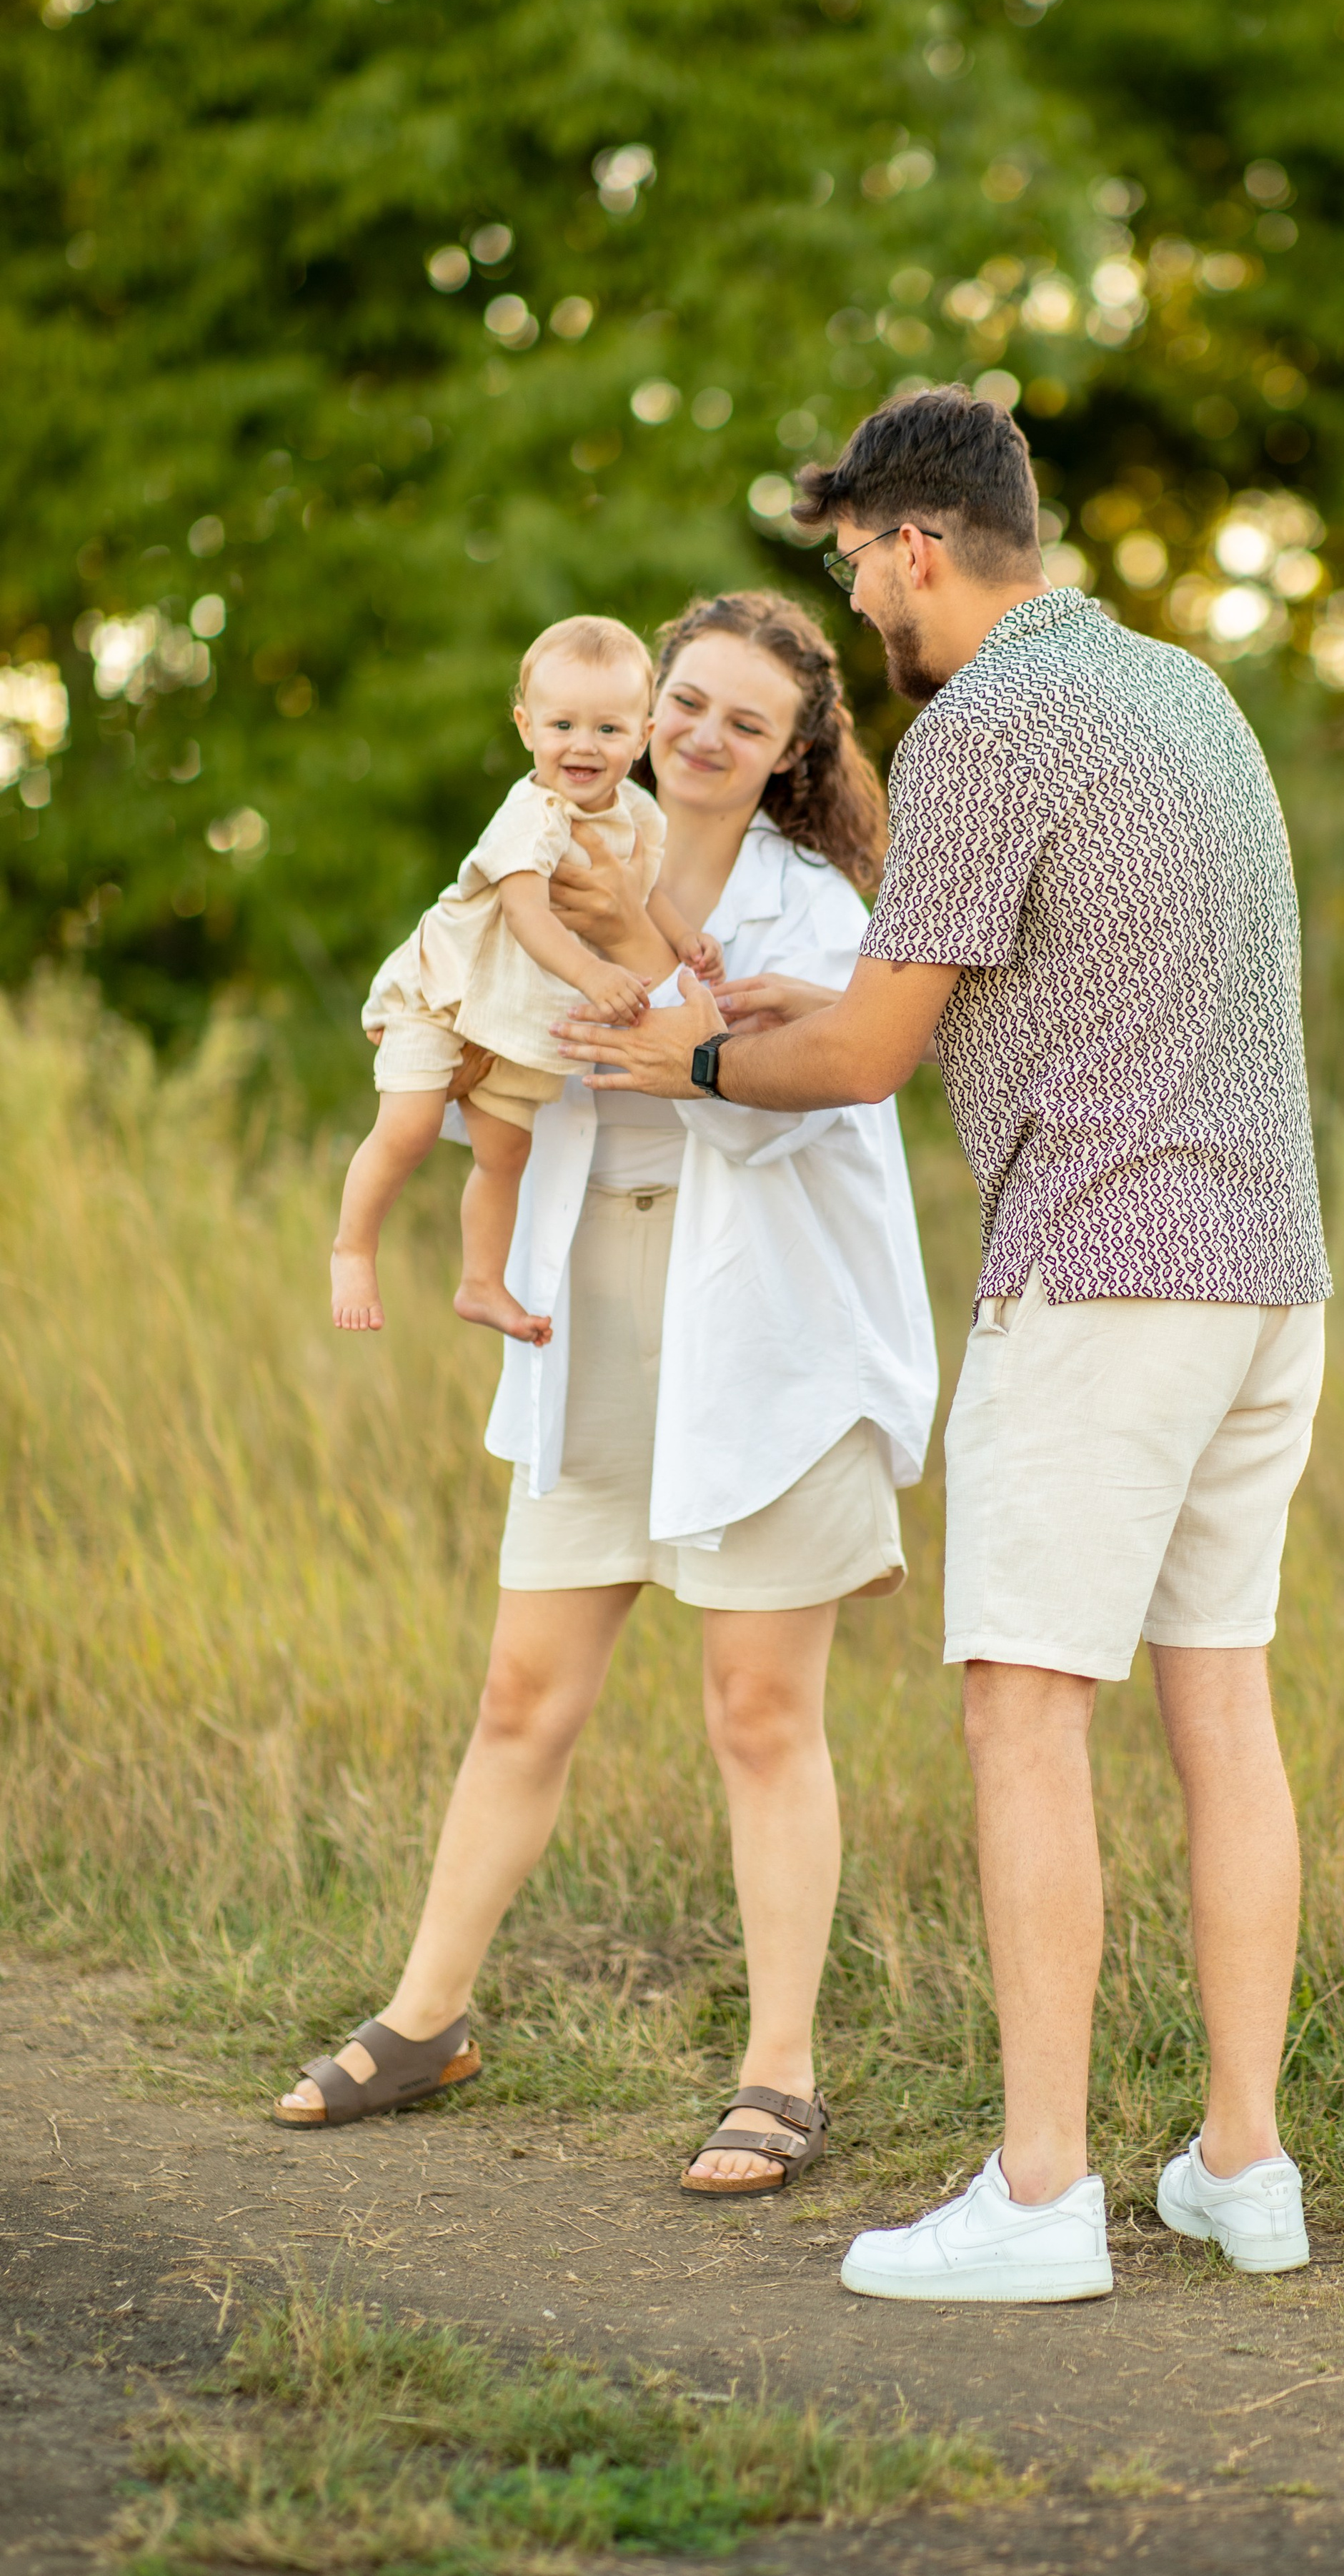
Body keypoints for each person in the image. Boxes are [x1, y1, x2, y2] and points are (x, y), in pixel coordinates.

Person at [562, 389, 1332, 2300]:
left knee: (1018, 1706)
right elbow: (1007, 976)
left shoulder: (986, 719)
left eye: (853, 568)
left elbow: (873, 1054)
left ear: (915, 543)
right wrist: (805, 1001)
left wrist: (697, 1052)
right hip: (1267, 1272)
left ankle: (1045, 2193)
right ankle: (1245, 2168)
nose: (861, 609)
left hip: (1103, 1279)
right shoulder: (1179, 694)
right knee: (1219, 1703)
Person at [280, 591, 938, 2197]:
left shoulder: (818, 913)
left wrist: (650, 976)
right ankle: (427, 2017)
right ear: (642, 710)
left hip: (770, 1343)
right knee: (523, 1695)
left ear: (790, 755)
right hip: (597, 1317)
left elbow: (742, 1089)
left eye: (745, 721)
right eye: (685, 703)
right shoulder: (564, 844)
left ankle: (778, 2074)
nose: (704, 735)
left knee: (758, 1715)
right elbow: (500, 1046)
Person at [332, 615, 722, 1347]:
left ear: (642, 734)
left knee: (507, 1154)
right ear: (524, 726)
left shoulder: (637, 813)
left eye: (608, 729)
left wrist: (684, 938)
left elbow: (647, 890)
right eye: (562, 723)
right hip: (447, 991)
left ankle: (481, 1281)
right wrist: (594, 971)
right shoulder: (532, 813)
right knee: (409, 1126)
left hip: (519, 1018)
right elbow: (528, 913)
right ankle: (353, 1247)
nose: (582, 744)